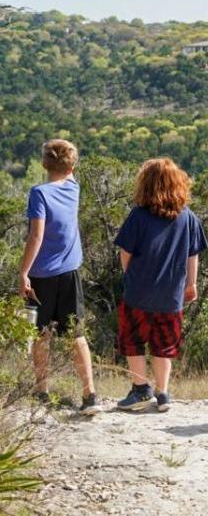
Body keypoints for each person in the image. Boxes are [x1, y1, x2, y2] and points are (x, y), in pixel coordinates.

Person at [114, 158, 208, 412]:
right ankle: (163, 392)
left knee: (134, 340)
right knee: (165, 344)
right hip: (172, 294)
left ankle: (140, 389)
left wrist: (130, 275)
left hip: (138, 292)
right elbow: (193, 254)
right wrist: (192, 283)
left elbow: (126, 252)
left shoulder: (138, 216)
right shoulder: (188, 217)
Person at [18, 139, 101, 415]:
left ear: (44, 164)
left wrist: (23, 272)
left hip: (42, 274)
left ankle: (42, 390)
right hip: (70, 273)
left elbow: (37, 235)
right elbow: (69, 170)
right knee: (75, 334)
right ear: (72, 165)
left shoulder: (39, 193)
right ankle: (89, 393)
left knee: (41, 334)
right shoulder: (74, 188)